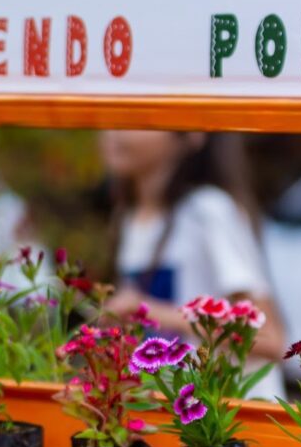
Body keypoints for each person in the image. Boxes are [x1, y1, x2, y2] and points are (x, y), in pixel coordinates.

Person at [97, 130, 287, 398]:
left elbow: (270, 338)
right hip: (181, 419)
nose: (115, 131)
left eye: (139, 120)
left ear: (192, 135)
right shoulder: (127, 217)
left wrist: (146, 310)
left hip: (234, 420)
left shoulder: (208, 210)